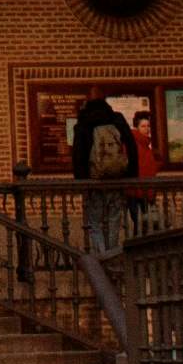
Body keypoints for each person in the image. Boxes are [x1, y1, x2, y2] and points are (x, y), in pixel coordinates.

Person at [69, 96, 137, 255]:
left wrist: (81, 181)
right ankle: (111, 254)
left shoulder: (84, 122)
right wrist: (131, 174)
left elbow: (78, 155)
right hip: (116, 179)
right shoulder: (117, 120)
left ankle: (101, 257)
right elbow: (131, 146)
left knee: (94, 223)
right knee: (114, 220)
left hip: (94, 182)